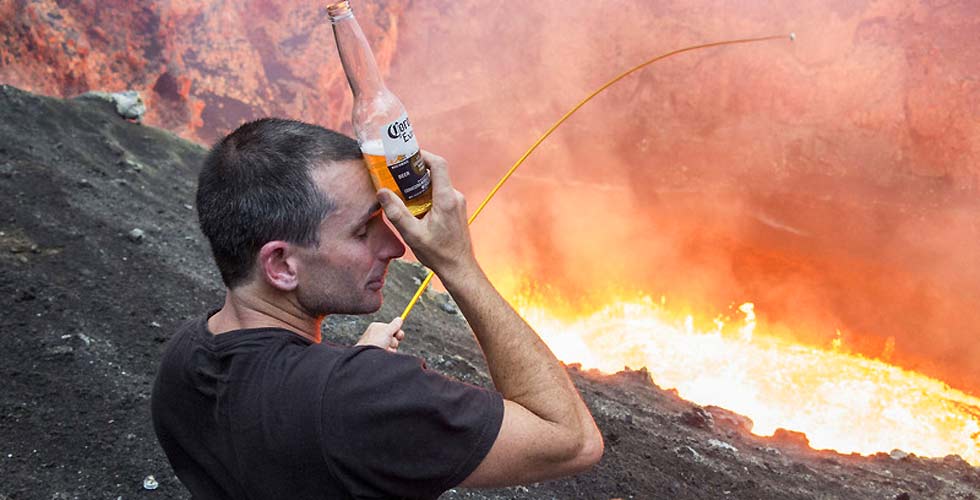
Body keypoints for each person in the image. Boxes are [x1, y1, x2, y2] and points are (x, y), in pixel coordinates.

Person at [151, 118, 603, 499]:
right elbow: (571, 440)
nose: (396, 246)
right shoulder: (360, 398)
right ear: (282, 264)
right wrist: (457, 264)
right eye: (364, 229)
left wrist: (348, 370)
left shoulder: (182, 360)